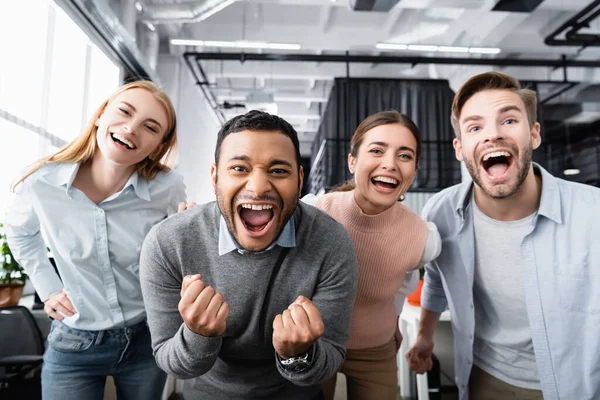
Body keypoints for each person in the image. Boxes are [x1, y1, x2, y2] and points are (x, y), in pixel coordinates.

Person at [406, 71, 600, 400]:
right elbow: (438, 278)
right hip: (484, 378)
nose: (493, 135)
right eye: (475, 127)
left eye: (509, 120)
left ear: (534, 134)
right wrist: (424, 335)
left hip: (577, 387)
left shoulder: (592, 214)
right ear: (459, 147)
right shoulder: (442, 212)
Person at [138, 110, 359, 400]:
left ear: (300, 179)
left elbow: (329, 359)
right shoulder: (168, 242)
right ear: (215, 176)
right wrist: (199, 335)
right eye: (239, 169)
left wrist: (297, 354)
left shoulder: (331, 242)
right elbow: (171, 362)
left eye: (278, 171)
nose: (257, 188)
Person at [5, 80, 186, 400]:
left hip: (147, 338)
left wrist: (189, 230)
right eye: (124, 112)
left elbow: (175, 255)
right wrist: (47, 286)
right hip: (74, 342)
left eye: (150, 127)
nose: (131, 129)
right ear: (101, 114)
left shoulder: (167, 187)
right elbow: (21, 233)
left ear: (157, 146)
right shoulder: (42, 181)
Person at [307, 111, 441, 400]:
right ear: (352, 161)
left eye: (404, 156)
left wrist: (393, 323)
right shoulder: (317, 213)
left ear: (414, 170)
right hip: (315, 344)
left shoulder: (422, 237)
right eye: (377, 151)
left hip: (376, 350)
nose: (390, 164)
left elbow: (400, 287)